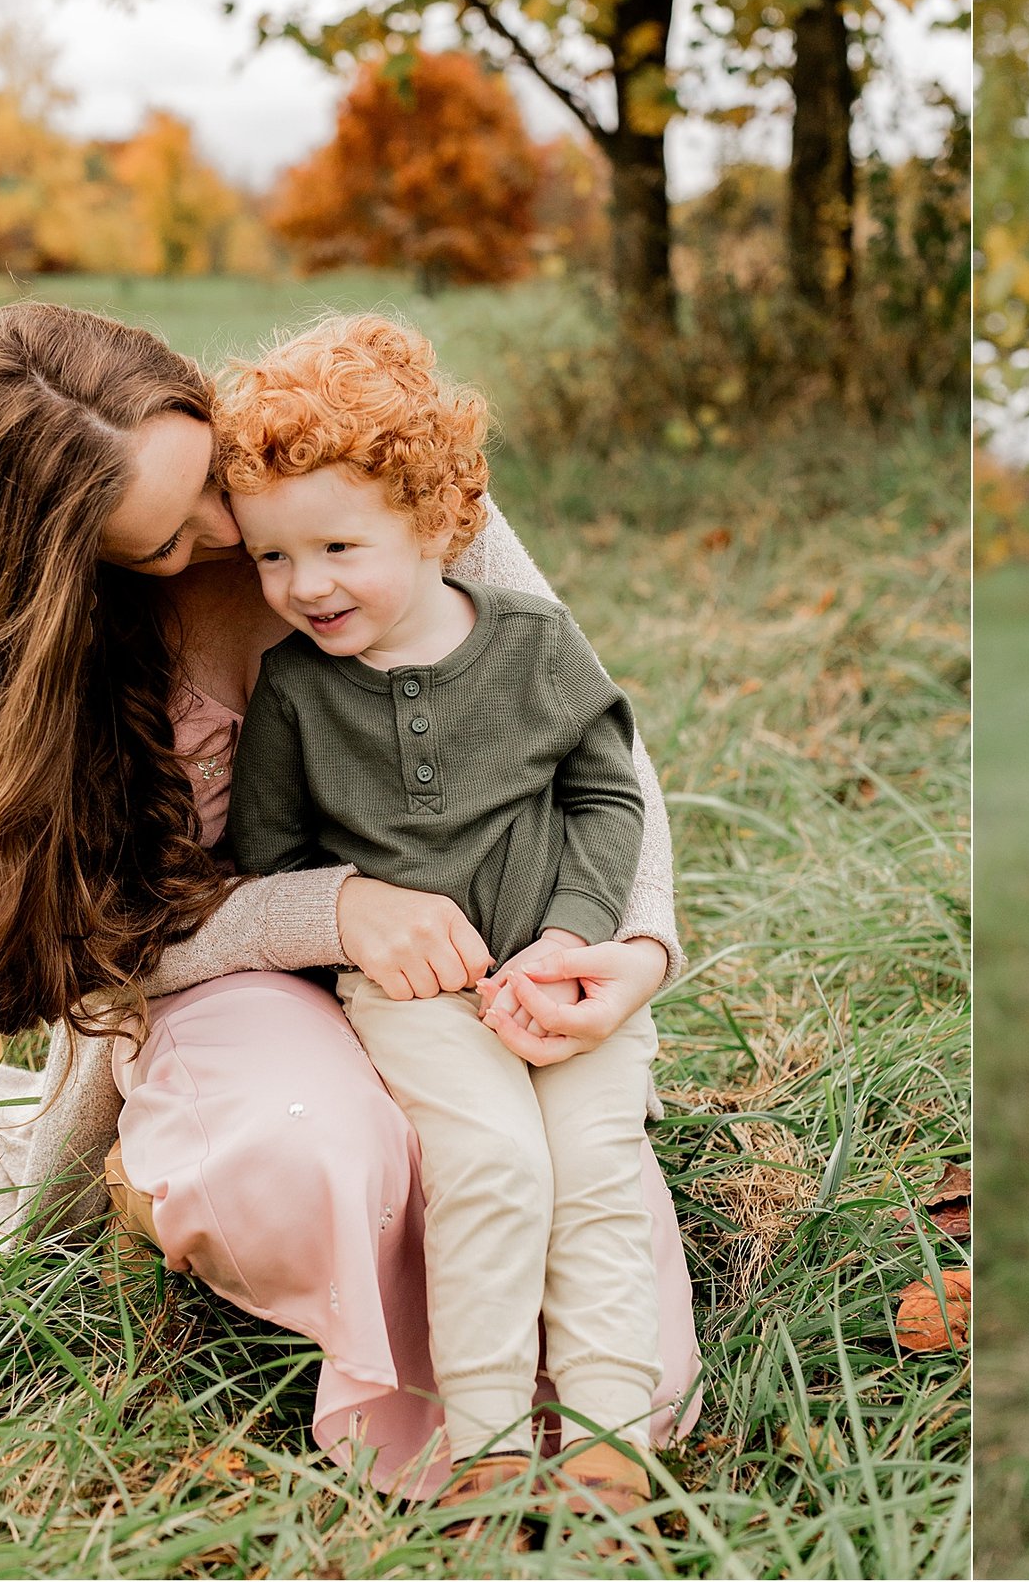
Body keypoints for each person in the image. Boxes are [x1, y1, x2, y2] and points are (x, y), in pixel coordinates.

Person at [0, 300, 700, 1507]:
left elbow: (592, 739)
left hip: (474, 961)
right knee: (338, 1156)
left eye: (209, 478)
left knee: (586, 1246)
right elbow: (91, 950)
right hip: (225, 972)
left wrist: (637, 946)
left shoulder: (348, 469)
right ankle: (189, 1199)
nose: (231, 532)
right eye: (162, 544)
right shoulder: (56, 668)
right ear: (70, 569)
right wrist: (331, 913)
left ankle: (594, 1457)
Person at [220, 315, 664, 1529]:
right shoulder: (296, 696)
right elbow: (271, 862)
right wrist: (363, 920)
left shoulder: (533, 647)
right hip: (414, 1000)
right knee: (493, 1167)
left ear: (436, 521)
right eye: (270, 557)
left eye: (337, 545)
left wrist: (576, 938)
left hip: (563, 980)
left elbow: (606, 789)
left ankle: (613, 1442)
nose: (304, 585)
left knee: (593, 1170)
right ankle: (486, 1444)